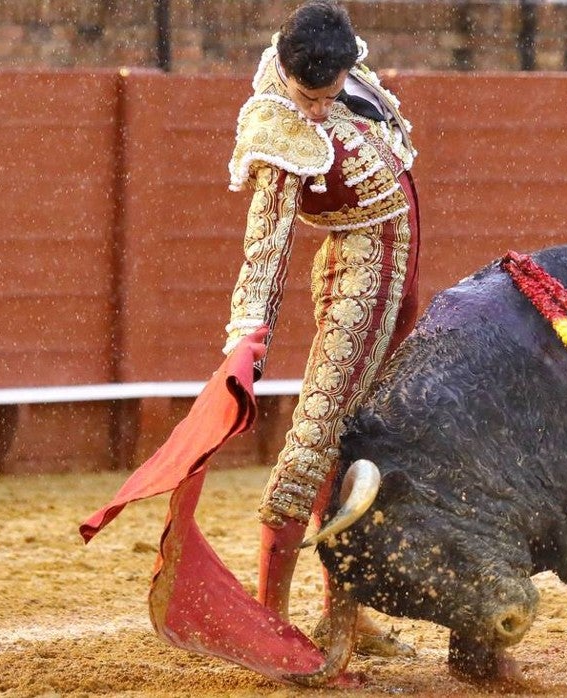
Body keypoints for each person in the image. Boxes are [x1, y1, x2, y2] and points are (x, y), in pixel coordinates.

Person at [222, 0, 421, 656]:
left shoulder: (339, 61)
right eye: (306, 97)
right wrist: (248, 337)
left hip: (392, 273)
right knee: (316, 438)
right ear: (285, 70)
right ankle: (269, 623)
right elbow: (266, 247)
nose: (313, 111)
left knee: (362, 439)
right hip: (360, 276)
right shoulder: (279, 132)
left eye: (327, 96)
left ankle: (345, 617)